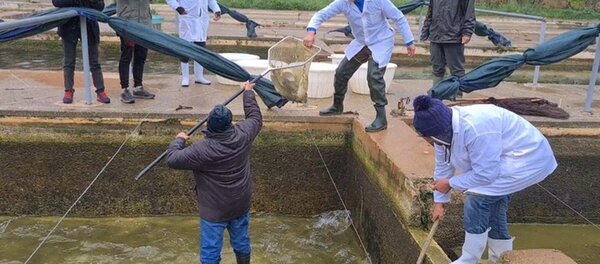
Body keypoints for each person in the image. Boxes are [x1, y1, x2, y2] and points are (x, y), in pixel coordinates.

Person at [412, 95, 557, 264]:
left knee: (477, 197)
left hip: (526, 157)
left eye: (428, 137)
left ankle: (469, 259)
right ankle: (502, 258)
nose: (427, 141)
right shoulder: (443, 131)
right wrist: (439, 202)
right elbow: (443, 165)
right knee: (494, 205)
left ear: (440, 130)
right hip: (500, 160)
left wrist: (451, 184)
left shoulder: (476, 128)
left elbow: (486, 174)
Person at [166, 81, 261, 264]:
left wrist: (178, 140)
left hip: (214, 210)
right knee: (241, 242)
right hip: (240, 203)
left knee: (210, 251)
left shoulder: (201, 150)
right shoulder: (243, 134)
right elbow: (255, 117)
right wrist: (248, 93)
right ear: (231, 123)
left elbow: (172, 159)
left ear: (208, 125)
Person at [303, 0, 416, 132]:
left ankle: (381, 117)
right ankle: (337, 106)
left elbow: (399, 18)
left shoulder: (379, 1)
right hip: (361, 43)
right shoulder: (343, 2)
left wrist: (409, 41)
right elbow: (322, 14)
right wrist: (311, 31)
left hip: (381, 41)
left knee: (374, 75)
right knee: (341, 72)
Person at [52, 0, 111, 104]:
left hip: (89, 26)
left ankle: (100, 91)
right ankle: (68, 90)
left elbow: (101, 6)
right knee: (69, 61)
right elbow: (56, 2)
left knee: (95, 62)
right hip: (68, 26)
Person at [420, 0, 475, 88]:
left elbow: (470, 13)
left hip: (454, 36)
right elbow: (430, 11)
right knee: (437, 68)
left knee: (456, 70)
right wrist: (425, 31)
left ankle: (457, 95)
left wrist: (467, 33)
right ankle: (436, 93)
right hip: (435, 35)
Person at [167, 0, 221, 87]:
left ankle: (199, 76)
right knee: (185, 50)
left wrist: (216, 10)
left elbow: (211, 1)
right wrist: (178, 7)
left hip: (202, 20)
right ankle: (185, 77)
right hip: (187, 18)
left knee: (200, 49)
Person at [116, 0, 156, 103]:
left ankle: (138, 87)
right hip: (127, 23)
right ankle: (124, 89)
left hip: (144, 23)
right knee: (126, 57)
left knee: (141, 56)